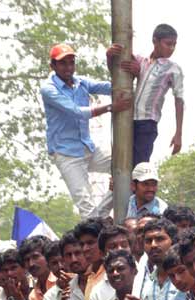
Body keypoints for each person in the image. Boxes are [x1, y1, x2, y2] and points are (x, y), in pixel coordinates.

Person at [41, 43, 130, 219]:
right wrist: (112, 107)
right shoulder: (48, 89)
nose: (68, 67)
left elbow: (110, 86)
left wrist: (114, 64)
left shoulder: (80, 82)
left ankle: (102, 213)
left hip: (87, 148)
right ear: (53, 66)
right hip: (67, 154)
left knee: (127, 168)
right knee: (87, 208)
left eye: (71, 62)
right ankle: (97, 225)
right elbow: (76, 112)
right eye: (63, 63)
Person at [110, 23, 184, 164]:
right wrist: (110, 54)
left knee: (139, 167)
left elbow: (179, 100)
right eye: (168, 44)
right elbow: (116, 68)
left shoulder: (173, 69)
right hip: (127, 118)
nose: (172, 48)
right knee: (120, 162)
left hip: (147, 123)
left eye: (174, 45)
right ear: (155, 41)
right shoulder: (140, 61)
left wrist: (178, 133)